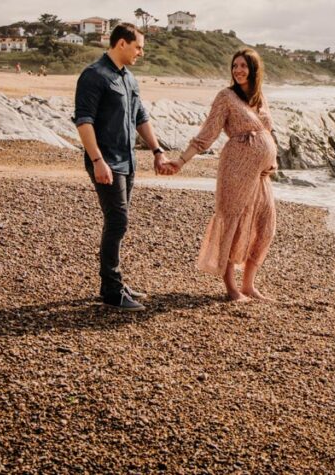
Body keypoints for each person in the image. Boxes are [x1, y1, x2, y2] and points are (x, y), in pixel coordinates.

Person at [74, 23, 172, 311]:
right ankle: (112, 291)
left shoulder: (129, 78)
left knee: (117, 222)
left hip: (127, 161)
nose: (141, 52)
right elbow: (84, 121)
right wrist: (97, 161)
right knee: (118, 221)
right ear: (121, 44)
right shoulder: (94, 75)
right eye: (138, 46)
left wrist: (156, 151)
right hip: (105, 162)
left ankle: (113, 282)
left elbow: (141, 116)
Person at [167, 48, 277, 301]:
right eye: (234, 65)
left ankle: (249, 285)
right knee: (233, 224)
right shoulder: (226, 97)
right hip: (236, 169)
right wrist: (181, 161)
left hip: (261, 176)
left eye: (243, 66)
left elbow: (269, 133)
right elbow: (208, 133)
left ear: (254, 70)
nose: (238, 70)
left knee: (265, 226)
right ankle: (231, 288)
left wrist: (273, 161)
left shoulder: (260, 98)